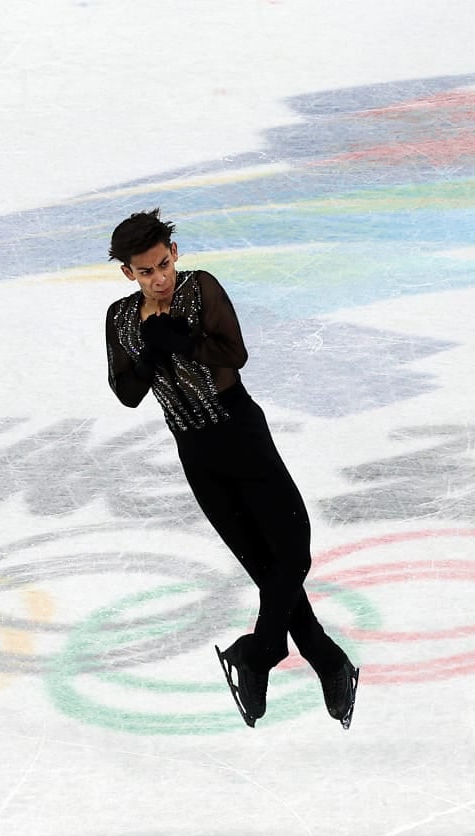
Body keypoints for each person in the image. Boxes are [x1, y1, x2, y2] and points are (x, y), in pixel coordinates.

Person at [104, 209, 359, 728]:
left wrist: (179, 340)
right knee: (265, 566)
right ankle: (323, 658)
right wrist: (151, 356)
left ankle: (261, 653)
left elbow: (234, 354)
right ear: (128, 273)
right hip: (196, 454)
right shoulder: (121, 318)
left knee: (293, 553)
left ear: (174, 253)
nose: (160, 278)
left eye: (163, 264)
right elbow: (127, 394)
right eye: (146, 271)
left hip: (241, 434)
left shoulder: (201, 290)